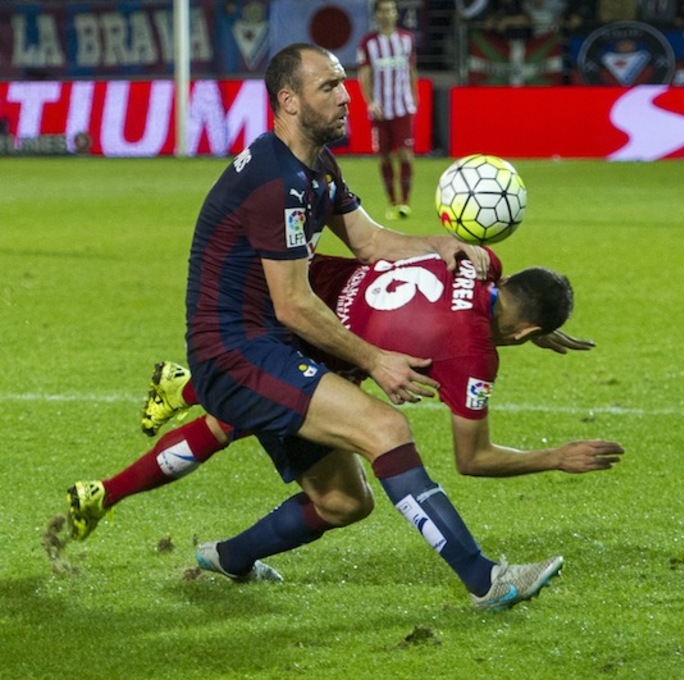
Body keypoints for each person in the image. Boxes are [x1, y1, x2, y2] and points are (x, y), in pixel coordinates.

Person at [68, 247, 625, 607]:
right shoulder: (472, 353)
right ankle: (484, 579)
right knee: (377, 431)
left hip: (291, 297)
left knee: (343, 501)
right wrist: (555, 456)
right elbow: (472, 459)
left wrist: (532, 327)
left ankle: (226, 553)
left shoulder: (478, 265)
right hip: (295, 354)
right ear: (526, 332)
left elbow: (492, 290)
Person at [357, 0, 418, 220]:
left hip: (402, 107)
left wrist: (415, 96)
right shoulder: (368, 43)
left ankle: (405, 203)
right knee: (384, 157)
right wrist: (371, 102)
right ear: (377, 15)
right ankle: (392, 202)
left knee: (406, 156)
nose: (388, 14)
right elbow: (364, 75)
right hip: (381, 109)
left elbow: (411, 70)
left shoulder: (406, 39)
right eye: (383, 10)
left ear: (395, 14)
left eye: (391, 10)